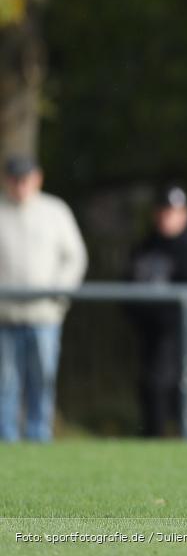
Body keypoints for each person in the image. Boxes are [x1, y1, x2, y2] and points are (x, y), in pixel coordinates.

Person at [0, 156, 88, 441]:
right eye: (14, 178)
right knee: (5, 384)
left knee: (43, 382)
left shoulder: (55, 211)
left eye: (25, 178)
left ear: (37, 179)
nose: (20, 185)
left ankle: (40, 438)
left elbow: (74, 258)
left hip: (44, 317)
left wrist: (58, 296)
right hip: (5, 317)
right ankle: (7, 440)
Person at [125, 184, 187, 437]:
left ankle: (185, 437)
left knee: (168, 388)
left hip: (177, 333)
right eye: (163, 211)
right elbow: (127, 286)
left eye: (173, 211)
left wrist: (159, 316)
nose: (167, 217)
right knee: (155, 388)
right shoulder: (145, 246)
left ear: (184, 214)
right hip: (148, 333)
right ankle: (163, 437)